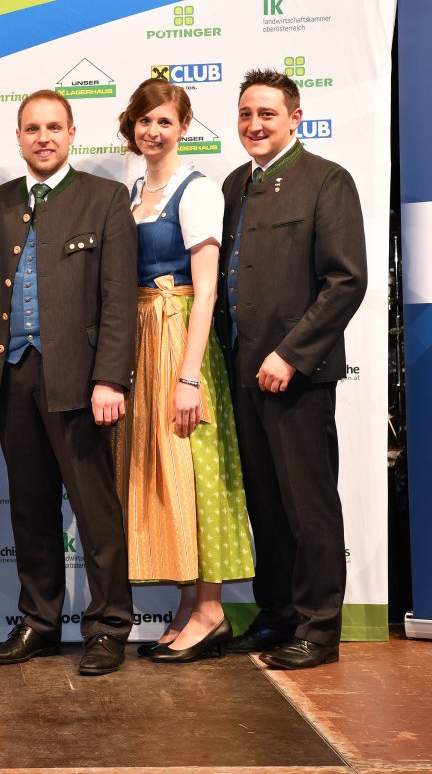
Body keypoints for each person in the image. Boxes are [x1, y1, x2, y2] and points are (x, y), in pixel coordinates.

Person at [0, 90, 137, 676]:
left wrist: (110, 378)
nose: (43, 138)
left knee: (96, 509)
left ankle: (108, 626)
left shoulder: (105, 198)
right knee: (29, 507)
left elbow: (118, 297)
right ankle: (39, 622)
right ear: (18, 137)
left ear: (71, 134)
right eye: (32, 128)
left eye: (53, 127)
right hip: (13, 375)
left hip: (82, 382)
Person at [215, 69, 367, 669]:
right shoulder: (234, 184)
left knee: (309, 506)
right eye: (246, 114)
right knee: (266, 505)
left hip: (296, 376)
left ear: (295, 118)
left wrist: (291, 355)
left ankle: (319, 629)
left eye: (267, 114)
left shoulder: (327, 180)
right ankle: (277, 615)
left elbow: (345, 281)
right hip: (241, 373)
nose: (254, 125)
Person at [110, 79, 254, 663]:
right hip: (142, 335)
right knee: (165, 471)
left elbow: (207, 289)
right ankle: (187, 605)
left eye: (164, 121)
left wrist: (189, 376)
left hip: (178, 335)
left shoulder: (196, 191)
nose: (153, 131)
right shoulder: (132, 192)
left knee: (195, 469)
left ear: (184, 127)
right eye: (144, 120)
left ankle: (211, 610)